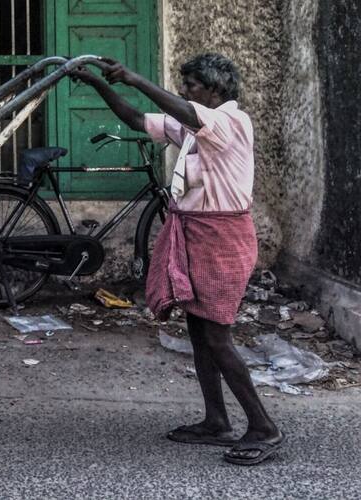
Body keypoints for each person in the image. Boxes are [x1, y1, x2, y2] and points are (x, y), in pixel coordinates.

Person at [71, 53, 283, 465]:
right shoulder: (192, 128)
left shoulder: (230, 121)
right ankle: (217, 421)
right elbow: (137, 120)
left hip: (221, 239)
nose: (185, 91)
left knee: (217, 336)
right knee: (199, 331)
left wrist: (133, 77)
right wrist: (99, 84)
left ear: (214, 89)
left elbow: (184, 111)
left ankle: (263, 427)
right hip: (195, 234)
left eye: (192, 85)